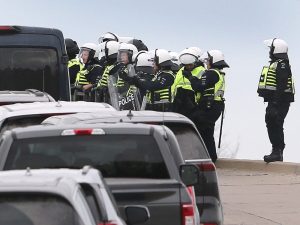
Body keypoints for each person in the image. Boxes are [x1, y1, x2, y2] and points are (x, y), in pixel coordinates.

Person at [183, 50, 229, 162]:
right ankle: (211, 157)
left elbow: (198, 86)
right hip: (214, 106)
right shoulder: (218, 73)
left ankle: (201, 157)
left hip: (209, 107)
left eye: (208, 60)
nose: (206, 62)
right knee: (207, 133)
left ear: (213, 61)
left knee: (198, 129)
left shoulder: (211, 73)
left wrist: (190, 76)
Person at [258, 38, 295, 162]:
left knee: (275, 122)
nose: (270, 51)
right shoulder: (278, 63)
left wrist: (275, 102)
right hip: (276, 100)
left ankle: (277, 151)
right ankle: (276, 151)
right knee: (272, 122)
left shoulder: (282, 64)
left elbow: (282, 83)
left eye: (271, 49)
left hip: (280, 101)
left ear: (276, 49)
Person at [172, 47, 205, 118]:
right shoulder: (181, 70)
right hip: (179, 100)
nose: (188, 67)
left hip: (193, 101)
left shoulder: (202, 70)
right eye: (186, 65)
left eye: (190, 65)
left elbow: (201, 86)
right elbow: (174, 86)